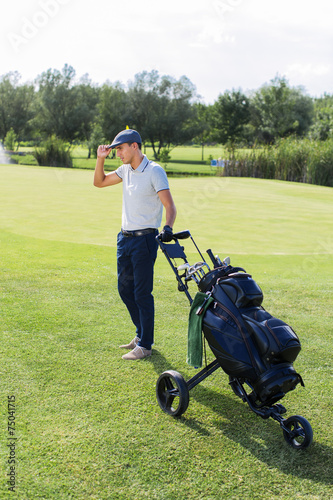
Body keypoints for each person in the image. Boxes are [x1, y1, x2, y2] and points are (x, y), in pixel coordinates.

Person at [94, 129, 177, 360]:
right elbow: (99, 182)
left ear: (134, 146)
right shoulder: (125, 170)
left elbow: (170, 207)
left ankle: (146, 345)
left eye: (120, 149)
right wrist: (100, 159)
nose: (117, 153)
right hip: (125, 239)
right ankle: (141, 335)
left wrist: (167, 228)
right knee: (124, 289)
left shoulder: (154, 171)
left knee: (142, 293)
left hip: (145, 240)